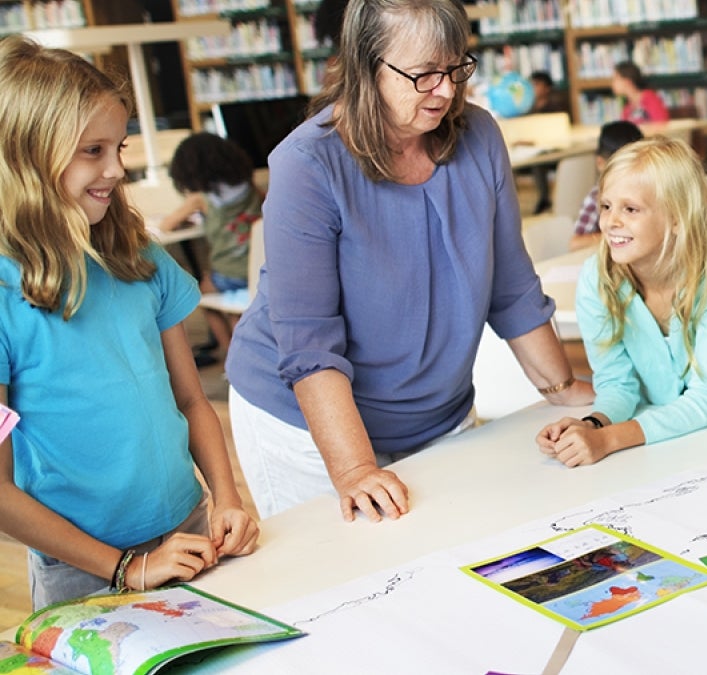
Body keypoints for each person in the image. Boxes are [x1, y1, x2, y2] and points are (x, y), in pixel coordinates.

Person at [225, 0, 593, 522]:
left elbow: (510, 284)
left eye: (455, 67)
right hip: (308, 427)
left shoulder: (480, 136)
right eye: (423, 74)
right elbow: (310, 343)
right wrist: (355, 472)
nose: (445, 90)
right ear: (363, 67)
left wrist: (564, 390)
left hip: (439, 415)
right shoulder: (306, 165)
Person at [0, 36, 258, 610]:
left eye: (119, 146)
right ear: (27, 156)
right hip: (82, 569)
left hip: (188, 533)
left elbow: (192, 401)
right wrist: (126, 569)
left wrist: (227, 498)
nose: (117, 168)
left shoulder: (141, 258)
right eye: (93, 150)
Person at [537, 137, 707, 466]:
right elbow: (617, 383)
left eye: (630, 209)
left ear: (676, 217)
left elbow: (706, 398)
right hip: (684, 413)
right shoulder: (596, 279)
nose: (611, 221)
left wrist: (608, 440)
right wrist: (592, 425)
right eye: (606, 206)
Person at [160, 132, 263, 360]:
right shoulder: (248, 187)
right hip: (258, 269)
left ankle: (230, 356)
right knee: (237, 303)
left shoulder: (201, 198)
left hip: (228, 274)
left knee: (202, 296)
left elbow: (167, 225)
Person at [569, 120, 644, 251]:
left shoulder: (650, 191)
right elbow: (575, 243)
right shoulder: (596, 197)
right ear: (600, 163)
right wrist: (619, 236)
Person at [527, 70, 571, 214]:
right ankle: (543, 199)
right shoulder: (529, 107)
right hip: (534, 149)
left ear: (547, 87)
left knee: (539, 163)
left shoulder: (556, 106)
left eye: (536, 84)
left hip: (554, 149)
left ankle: (547, 199)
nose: (533, 88)